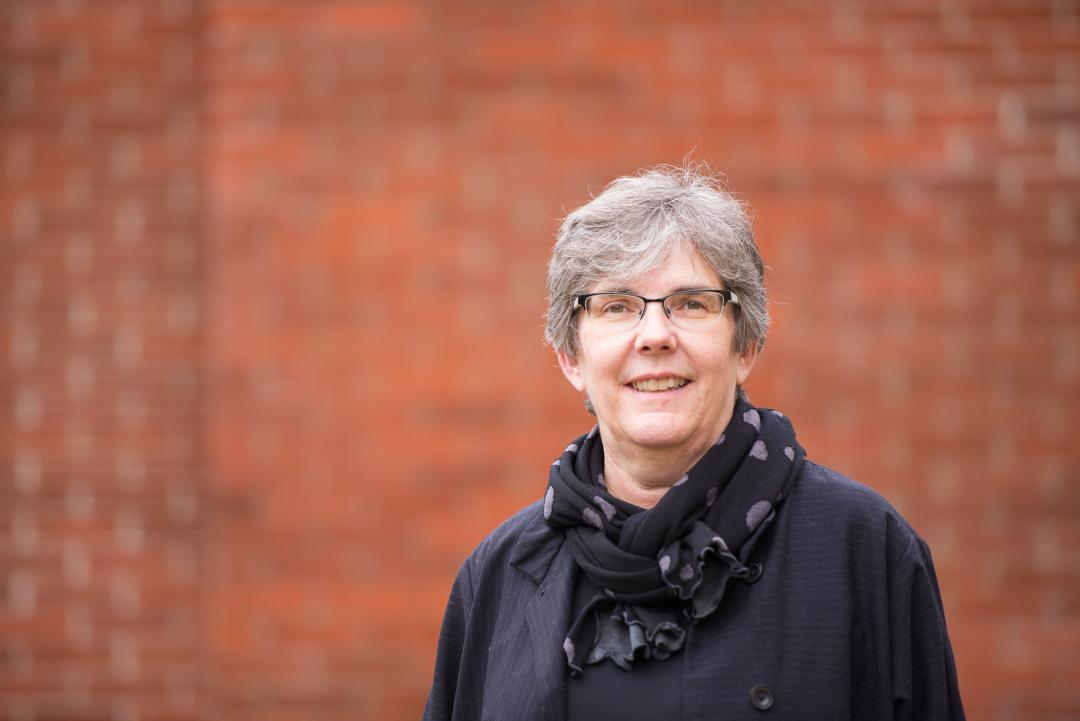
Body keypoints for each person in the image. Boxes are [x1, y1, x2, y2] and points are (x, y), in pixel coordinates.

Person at [423, 165, 965, 720]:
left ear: (745, 344)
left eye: (691, 303)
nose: (655, 335)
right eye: (616, 305)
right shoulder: (498, 574)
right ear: (571, 357)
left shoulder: (864, 550)